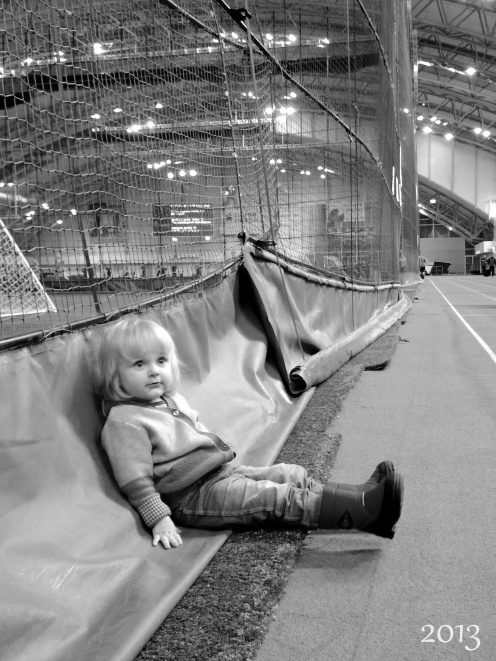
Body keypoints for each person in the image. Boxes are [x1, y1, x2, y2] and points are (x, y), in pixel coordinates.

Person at [96, 317, 404, 550]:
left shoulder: (170, 399)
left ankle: (356, 496)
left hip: (220, 473)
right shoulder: (124, 421)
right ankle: (364, 513)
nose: (154, 370)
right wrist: (158, 518)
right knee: (275, 498)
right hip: (192, 497)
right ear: (115, 375)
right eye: (139, 364)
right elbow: (134, 480)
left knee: (288, 473)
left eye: (161, 361)